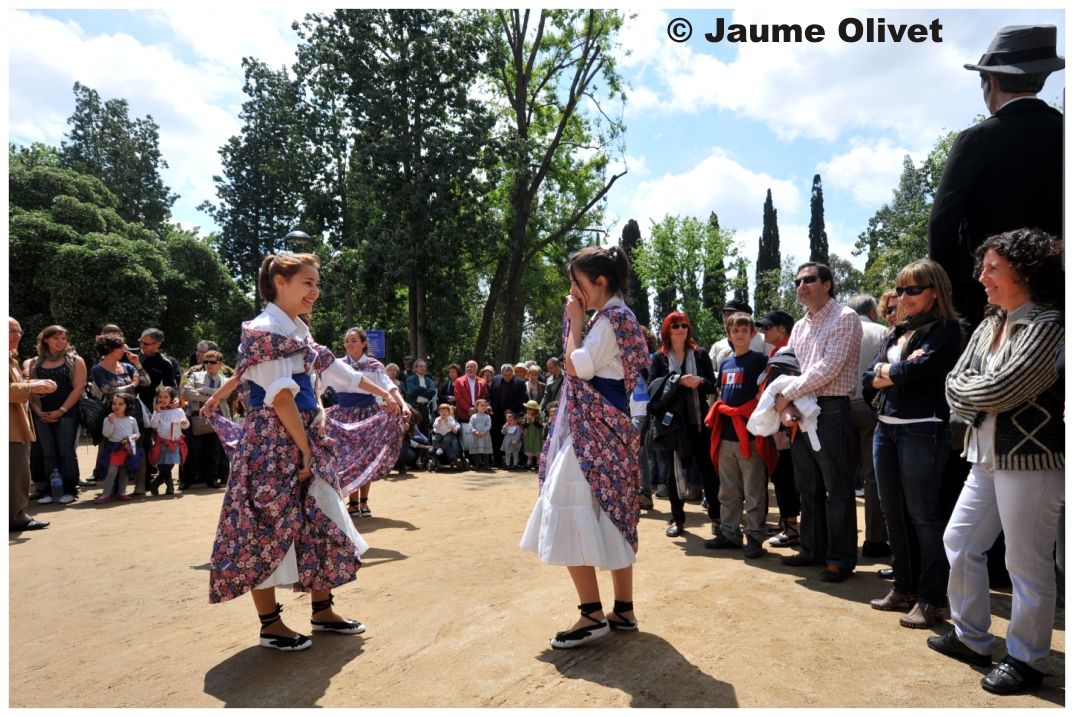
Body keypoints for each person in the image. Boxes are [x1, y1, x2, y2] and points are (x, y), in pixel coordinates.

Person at [204, 251, 395, 652]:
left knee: (320, 518)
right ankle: (270, 625)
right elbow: (281, 398)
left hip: (301, 436)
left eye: (316, 283)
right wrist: (306, 451)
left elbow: (336, 372)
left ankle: (322, 609)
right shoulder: (262, 330)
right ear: (281, 283)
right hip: (273, 442)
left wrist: (386, 394)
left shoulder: (296, 331)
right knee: (264, 526)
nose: (315, 291)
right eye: (308, 282)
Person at [927, 229, 1064, 695]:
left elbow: (1002, 389)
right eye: (983, 267)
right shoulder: (992, 321)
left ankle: (1027, 659)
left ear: (1023, 271)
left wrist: (969, 394)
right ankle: (972, 636)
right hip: (986, 455)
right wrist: (972, 393)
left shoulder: (1049, 324)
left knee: (1027, 564)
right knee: (960, 540)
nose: (981, 276)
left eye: (992, 267)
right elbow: (955, 379)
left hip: (1031, 459)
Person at [520, 244, 649, 649]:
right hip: (607, 428)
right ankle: (623, 608)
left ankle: (592, 613)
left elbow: (579, 367)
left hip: (593, 431)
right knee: (612, 509)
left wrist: (574, 323)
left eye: (577, 284)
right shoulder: (618, 316)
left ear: (600, 281)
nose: (573, 292)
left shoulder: (608, 319)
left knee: (568, 503)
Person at [927, 25, 1064, 330]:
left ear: (990, 81)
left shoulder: (976, 139)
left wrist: (948, 298)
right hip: (1060, 294)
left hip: (989, 301)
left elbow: (942, 223)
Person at [862, 260, 964, 629]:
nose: (903, 297)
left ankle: (932, 598)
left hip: (923, 430)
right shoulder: (897, 332)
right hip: (884, 430)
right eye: (900, 290)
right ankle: (903, 587)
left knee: (924, 516)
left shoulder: (947, 330)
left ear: (934, 291)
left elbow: (918, 372)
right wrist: (892, 374)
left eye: (912, 289)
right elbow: (866, 379)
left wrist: (888, 373)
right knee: (894, 514)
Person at [774, 262, 862, 583]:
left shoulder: (845, 317)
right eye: (798, 281)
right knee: (807, 487)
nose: (802, 285)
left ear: (828, 284)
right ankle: (811, 549)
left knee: (836, 488)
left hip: (831, 411)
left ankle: (839, 558)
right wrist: (785, 404)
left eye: (809, 279)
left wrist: (786, 395)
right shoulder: (798, 326)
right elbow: (791, 368)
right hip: (800, 410)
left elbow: (829, 368)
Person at [703, 313, 776, 559]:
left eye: (745, 330)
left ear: (752, 333)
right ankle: (729, 532)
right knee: (728, 489)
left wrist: (756, 401)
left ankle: (754, 536)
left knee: (754, 489)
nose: (740, 334)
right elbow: (722, 392)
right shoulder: (725, 362)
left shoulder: (760, 360)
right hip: (726, 434)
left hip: (751, 434)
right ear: (729, 335)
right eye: (735, 331)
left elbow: (769, 387)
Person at [649, 311, 720, 539]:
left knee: (707, 469)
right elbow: (653, 389)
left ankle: (717, 518)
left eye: (684, 325)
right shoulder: (659, 359)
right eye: (675, 325)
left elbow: (712, 385)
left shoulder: (700, 355)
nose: (680, 329)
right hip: (673, 425)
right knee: (673, 473)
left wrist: (699, 381)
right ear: (667, 330)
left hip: (698, 421)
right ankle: (677, 519)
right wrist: (676, 381)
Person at [326, 327, 407, 518]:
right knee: (349, 457)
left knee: (366, 456)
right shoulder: (337, 364)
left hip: (369, 415)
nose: (349, 344)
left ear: (363, 344)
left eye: (353, 340)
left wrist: (403, 405)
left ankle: (364, 501)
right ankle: (352, 502)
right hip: (344, 415)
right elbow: (319, 386)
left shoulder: (374, 365)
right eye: (347, 341)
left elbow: (390, 387)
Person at [847, 294, 891, 556]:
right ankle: (874, 540)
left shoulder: (841, 328)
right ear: (873, 312)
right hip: (870, 406)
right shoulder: (883, 331)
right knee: (873, 476)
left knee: (840, 476)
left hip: (838, 406)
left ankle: (842, 539)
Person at [27, 325, 87, 504]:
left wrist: (61, 411)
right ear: (46, 340)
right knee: (48, 453)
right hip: (42, 413)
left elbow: (78, 388)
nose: (61, 342)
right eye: (56, 338)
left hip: (67, 413)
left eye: (64, 338)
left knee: (66, 452)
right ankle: (49, 490)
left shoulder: (76, 360)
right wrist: (38, 411)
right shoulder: (34, 362)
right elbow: (31, 389)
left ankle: (70, 489)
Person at [755, 311, 800, 546]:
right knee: (781, 475)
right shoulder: (776, 353)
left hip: (788, 429)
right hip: (779, 428)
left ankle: (791, 528)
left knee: (785, 476)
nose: (764, 331)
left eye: (768, 327)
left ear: (782, 329)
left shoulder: (791, 352)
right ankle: (787, 522)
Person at [9, 317, 56, 532]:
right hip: (10, 429)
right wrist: (32, 387)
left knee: (18, 472)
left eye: (19, 331)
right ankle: (16, 517)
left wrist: (32, 385)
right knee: (16, 473)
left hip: (16, 425)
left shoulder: (11, 358)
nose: (16, 336)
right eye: (10, 331)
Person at [182, 349, 231, 489]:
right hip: (197, 417)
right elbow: (189, 393)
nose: (209, 364)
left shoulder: (226, 380)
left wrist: (204, 390)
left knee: (214, 451)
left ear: (220, 364)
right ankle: (187, 480)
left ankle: (212, 479)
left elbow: (225, 396)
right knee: (193, 450)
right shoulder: (195, 376)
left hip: (218, 418)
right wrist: (214, 396)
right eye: (206, 361)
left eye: (212, 362)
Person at [94, 393, 141, 504]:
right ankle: (106, 494)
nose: (117, 406)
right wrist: (110, 422)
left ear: (127, 405)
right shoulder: (108, 419)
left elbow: (137, 432)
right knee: (111, 472)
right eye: (114, 404)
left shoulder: (132, 419)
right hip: (114, 448)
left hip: (128, 448)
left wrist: (134, 437)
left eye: (120, 404)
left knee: (125, 472)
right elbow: (106, 434)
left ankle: (122, 492)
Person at [708, 299, 770, 376]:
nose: (726, 318)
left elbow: (772, 370)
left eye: (731, 314)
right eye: (725, 315)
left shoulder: (764, 340)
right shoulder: (718, 346)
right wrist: (724, 375)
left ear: (745, 317)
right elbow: (707, 372)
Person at [148, 385, 189, 496]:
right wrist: (157, 412)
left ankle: (155, 482)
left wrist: (184, 422)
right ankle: (169, 487)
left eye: (166, 397)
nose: (162, 399)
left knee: (169, 464)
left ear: (172, 398)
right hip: (161, 443)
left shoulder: (179, 411)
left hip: (174, 443)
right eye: (160, 397)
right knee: (163, 465)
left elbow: (186, 426)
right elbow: (153, 424)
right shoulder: (158, 411)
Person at [490, 363, 526, 467]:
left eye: (510, 375)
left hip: (512, 415)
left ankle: (512, 462)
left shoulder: (520, 382)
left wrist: (512, 410)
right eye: (505, 375)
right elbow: (491, 395)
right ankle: (497, 460)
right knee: (497, 436)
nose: (507, 377)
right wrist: (490, 406)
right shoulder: (496, 379)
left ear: (513, 373)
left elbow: (522, 399)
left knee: (512, 437)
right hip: (496, 413)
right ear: (501, 373)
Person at [405, 358, 437, 426]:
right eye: (421, 366)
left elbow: (433, 391)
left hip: (425, 408)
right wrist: (426, 391)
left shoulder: (428, 380)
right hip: (414, 408)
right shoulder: (410, 379)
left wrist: (419, 390)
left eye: (424, 366)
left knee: (425, 429)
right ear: (416, 368)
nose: (423, 368)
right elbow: (412, 390)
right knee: (414, 429)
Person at [429, 404, 462, 469]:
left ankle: (453, 458)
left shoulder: (451, 419)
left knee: (449, 441)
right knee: (434, 439)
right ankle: (439, 450)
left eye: (445, 412)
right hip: (439, 433)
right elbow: (435, 426)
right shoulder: (437, 418)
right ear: (439, 412)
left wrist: (448, 423)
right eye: (442, 411)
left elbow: (454, 426)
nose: (444, 413)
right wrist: (438, 423)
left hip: (448, 435)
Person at [469, 399, 494, 470]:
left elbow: (489, 426)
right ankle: (477, 465)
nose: (484, 407)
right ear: (477, 407)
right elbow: (470, 425)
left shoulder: (487, 417)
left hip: (485, 436)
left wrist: (484, 432)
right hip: (476, 436)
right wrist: (475, 431)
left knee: (486, 452)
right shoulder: (473, 416)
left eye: (485, 405)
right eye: (481, 405)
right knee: (477, 452)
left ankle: (487, 465)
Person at [521, 400, 544, 470]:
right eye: (527, 408)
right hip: (529, 436)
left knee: (537, 449)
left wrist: (533, 420)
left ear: (534, 410)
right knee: (529, 449)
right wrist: (528, 421)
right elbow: (524, 426)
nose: (528, 410)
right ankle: (529, 463)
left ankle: (538, 464)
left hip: (537, 436)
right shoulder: (526, 416)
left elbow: (540, 425)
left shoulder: (539, 416)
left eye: (530, 409)